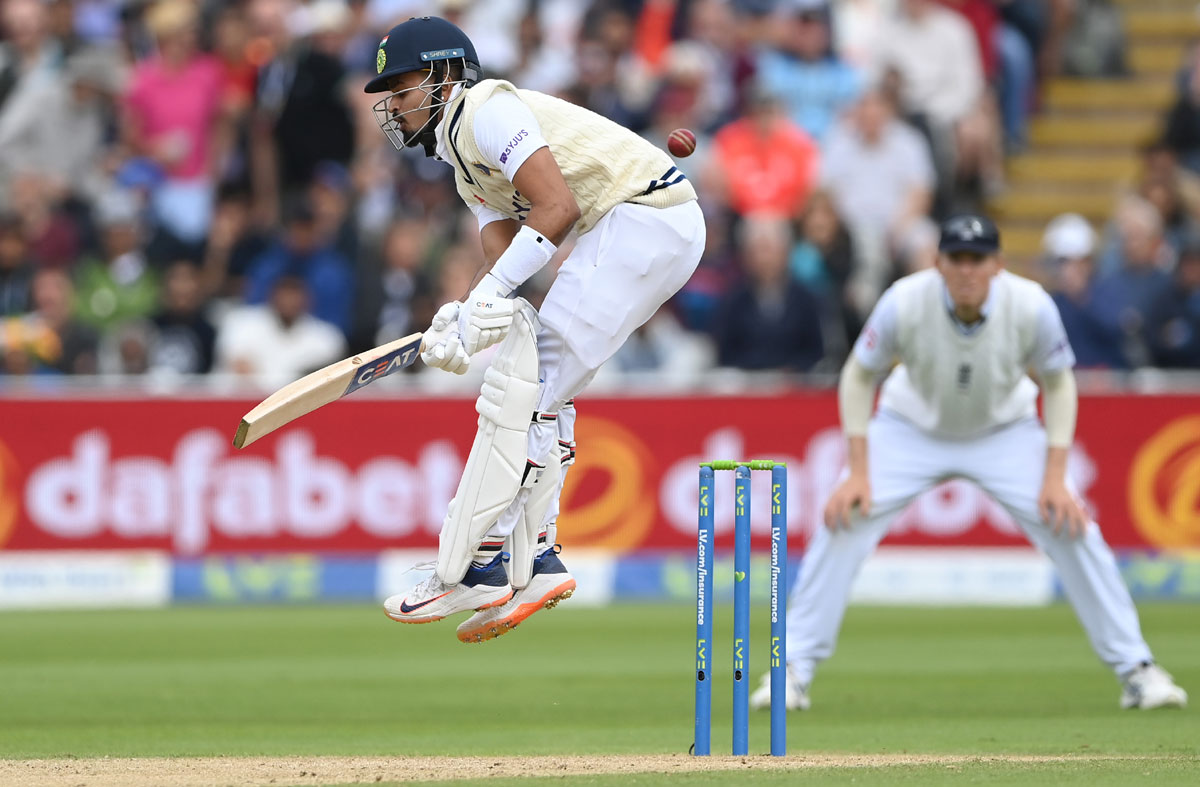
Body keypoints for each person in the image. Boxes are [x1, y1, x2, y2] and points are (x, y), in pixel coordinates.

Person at [750, 214, 1188, 712]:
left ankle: (1138, 669)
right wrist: (858, 471)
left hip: (1005, 429)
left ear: (997, 264)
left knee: (1074, 527)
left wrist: (1054, 477)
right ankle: (792, 671)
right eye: (956, 259)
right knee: (842, 519)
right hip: (909, 426)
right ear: (938, 263)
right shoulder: (904, 299)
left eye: (977, 259)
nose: (966, 270)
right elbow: (858, 375)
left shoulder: (1030, 305)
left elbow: (1060, 382)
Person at [365, 16, 704, 642]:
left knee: (518, 394)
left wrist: (482, 300)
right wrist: (464, 321)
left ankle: (478, 563)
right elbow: (509, 264)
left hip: (643, 217)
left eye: (402, 86)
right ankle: (538, 559)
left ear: (443, 76)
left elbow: (558, 210)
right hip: (644, 229)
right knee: (540, 386)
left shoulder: (486, 109)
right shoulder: (465, 165)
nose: (393, 104)